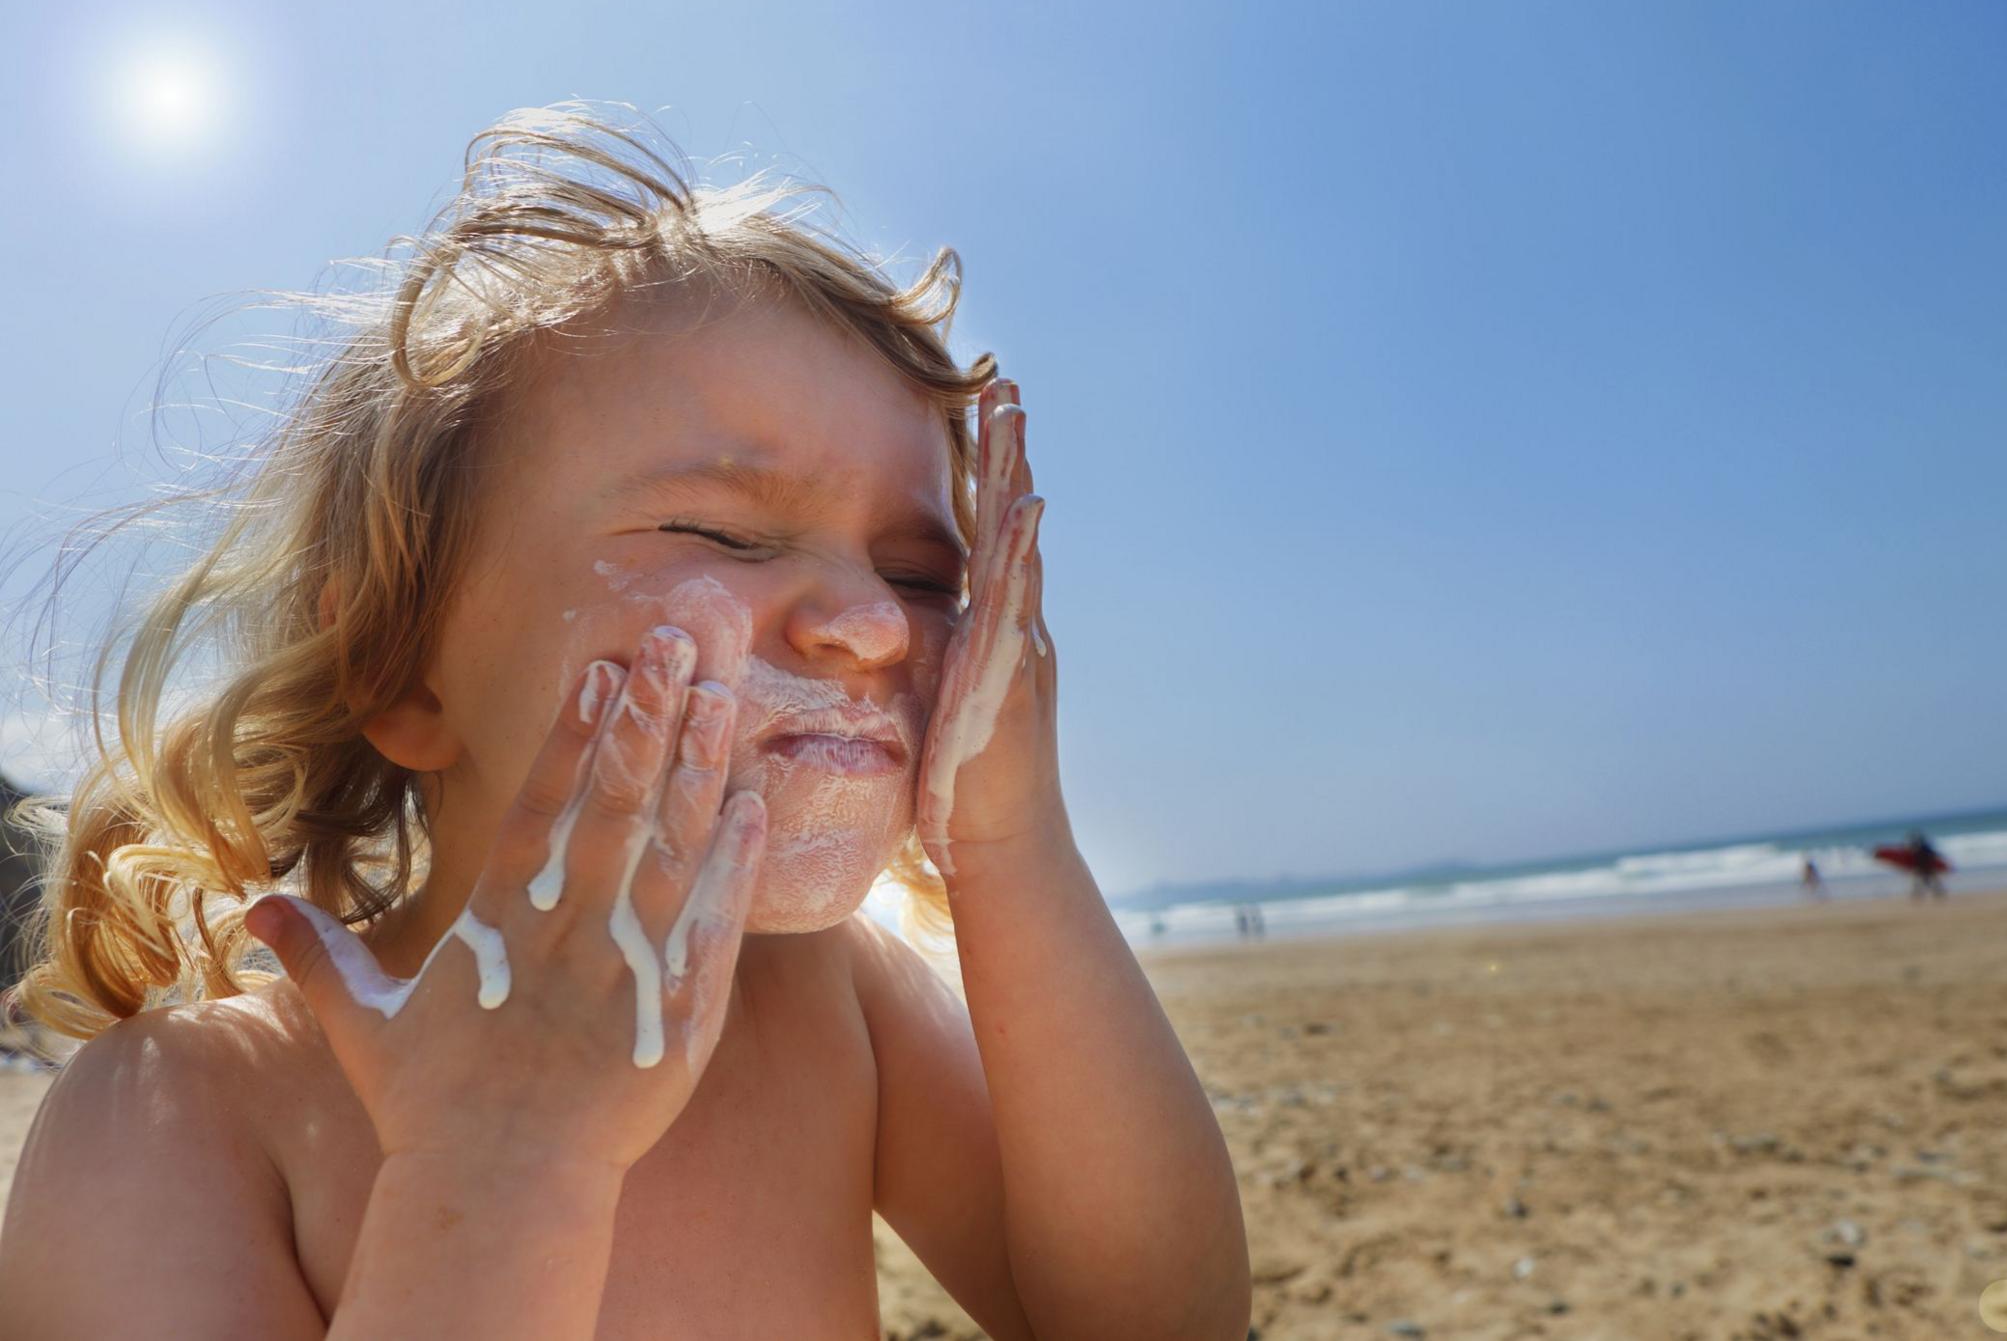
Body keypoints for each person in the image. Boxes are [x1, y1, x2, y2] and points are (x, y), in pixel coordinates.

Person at [0, 104, 1250, 1338]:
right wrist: (495, 1167)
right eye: (721, 533)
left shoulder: (822, 1000)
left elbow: (1147, 1318)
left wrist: (1012, 849)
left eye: (923, 577)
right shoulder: (177, 1114)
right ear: (405, 671)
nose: (870, 625)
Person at [1907, 829, 1948, 902]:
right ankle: (1936, 892)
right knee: (1926, 881)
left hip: (1924, 867)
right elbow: (1933, 855)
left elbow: (1915, 858)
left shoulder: (1919, 848)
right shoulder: (1922, 848)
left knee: (1925, 881)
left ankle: (1919, 894)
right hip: (1926, 867)